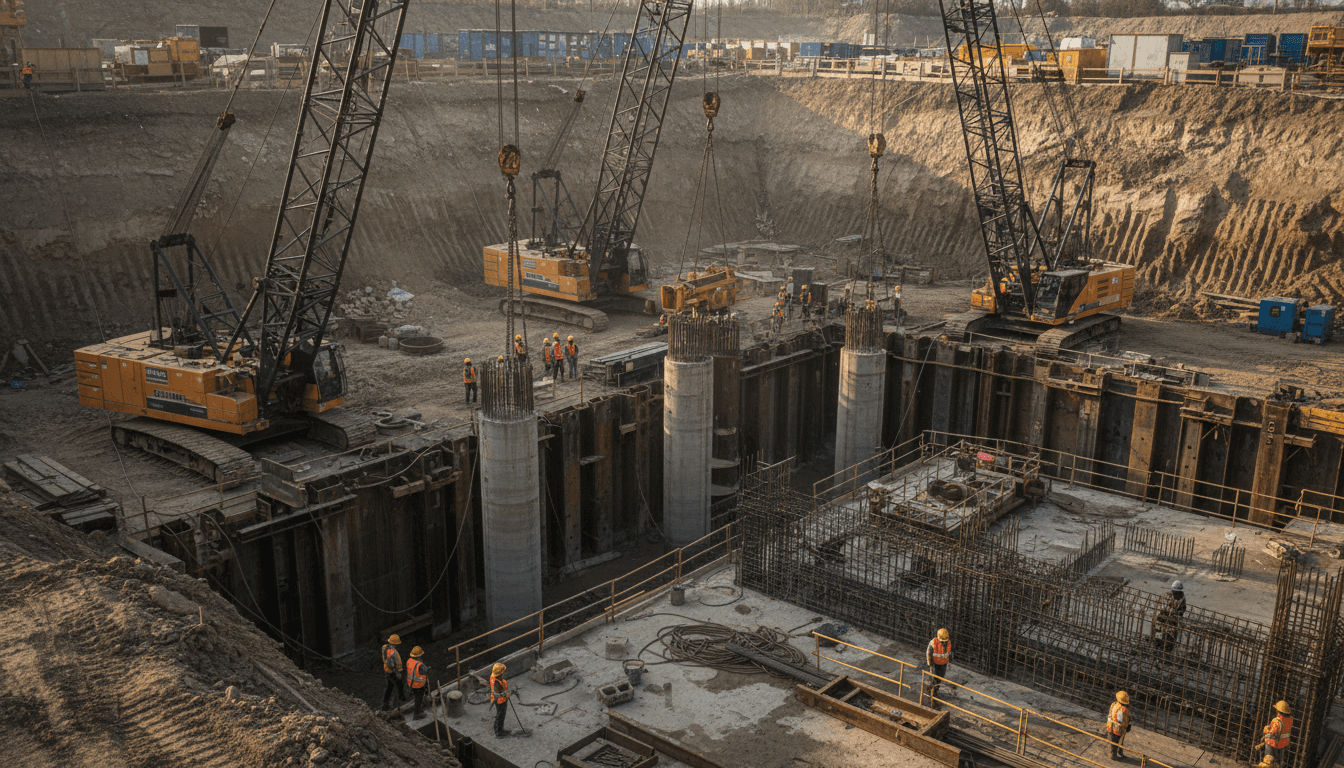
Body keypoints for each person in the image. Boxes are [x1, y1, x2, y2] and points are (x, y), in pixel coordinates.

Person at [1153, 580, 1186, 659]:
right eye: (1175, 592)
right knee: (1159, 636)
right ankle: (1156, 652)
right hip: (1162, 620)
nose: (1176, 594)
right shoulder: (1167, 595)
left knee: (1170, 639)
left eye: (1177, 592)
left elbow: (1182, 610)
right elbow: (1162, 607)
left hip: (1172, 622)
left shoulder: (1182, 598)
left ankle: (1166, 655)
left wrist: (1176, 614)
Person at [380, 634, 407, 711]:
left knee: (389, 687)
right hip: (393, 672)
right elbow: (391, 664)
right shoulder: (392, 652)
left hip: (387, 671)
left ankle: (385, 704)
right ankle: (398, 704)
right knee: (399, 686)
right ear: (395, 643)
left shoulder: (385, 647)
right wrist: (397, 673)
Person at [926, 628, 952, 703]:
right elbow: (929, 653)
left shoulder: (948, 643)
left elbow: (948, 653)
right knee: (934, 678)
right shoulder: (933, 643)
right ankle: (931, 692)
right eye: (942, 641)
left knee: (940, 678)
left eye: (945, 641)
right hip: (935, 663)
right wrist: (930, 664)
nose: (944, 643)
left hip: (943, 664)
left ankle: (936, 690)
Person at [1262, 701, 1292, 765]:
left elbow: (1271, 733)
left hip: (1272, 743)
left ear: (1278, 711)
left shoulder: (1276, 721)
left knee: (1268, 762)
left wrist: (1266, 729)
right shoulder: (1289, 721)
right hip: (1283, 744)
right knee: (1278, 763)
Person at [406, 646, 428, 718]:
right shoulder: (419, 664)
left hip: (411, 684)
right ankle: (417, 714)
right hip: (419, 685)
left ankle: (419, 710)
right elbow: (426, 670)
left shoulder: (409, 661)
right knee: (419, 699)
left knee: (417, 698)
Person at [1107, 690, 1130, 761]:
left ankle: (1114, 753)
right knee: (1117, 741)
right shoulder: (1124, 710)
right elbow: (1124, 721)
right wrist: (1127, 727)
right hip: (1118, 729)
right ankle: (1113, 755)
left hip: (1110, 725)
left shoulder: (1113, 704)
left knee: (1112, 741)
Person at [490, 662, 510, 738]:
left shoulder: (496, 677)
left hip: (502, 699)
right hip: (499, 701)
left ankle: (500, 729)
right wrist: (505, 694)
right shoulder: (495, 683)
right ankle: (498, 732)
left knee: (501, 715)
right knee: (500, 715)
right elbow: (496, 693)